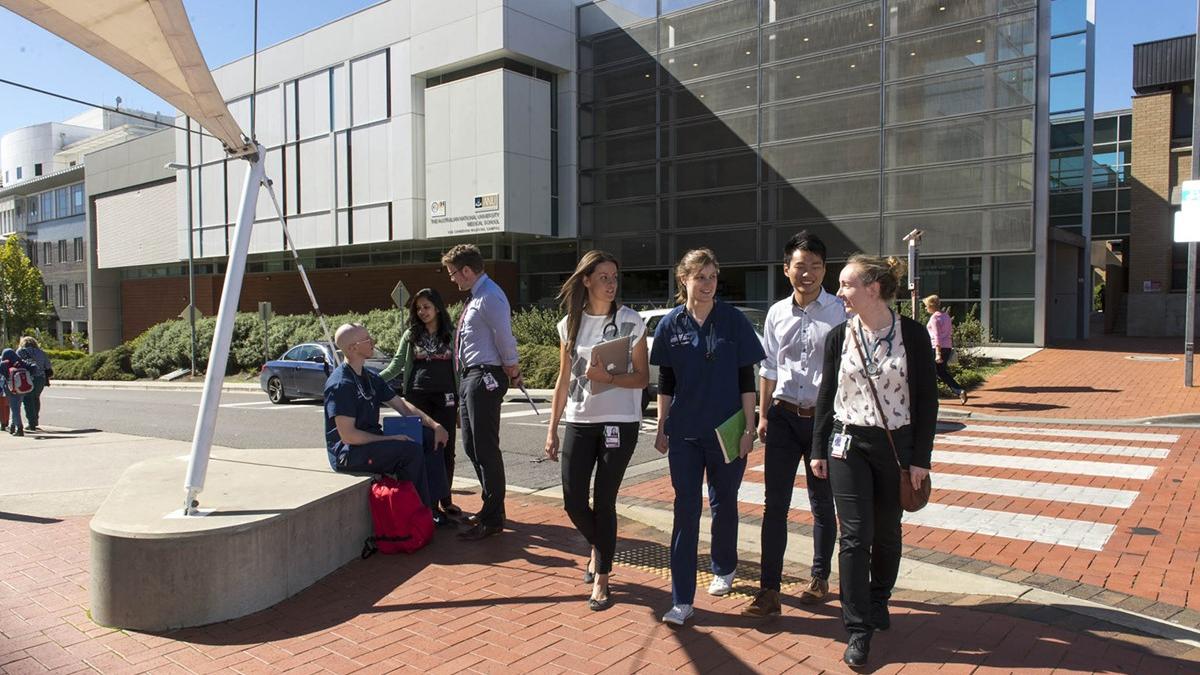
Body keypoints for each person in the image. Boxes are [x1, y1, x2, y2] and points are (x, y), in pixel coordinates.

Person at [811, 255, 937, 668]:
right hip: (847, 443)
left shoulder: (913, 335)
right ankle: (858, 628)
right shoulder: (838, 337)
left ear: (873, 288)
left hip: (895, 444)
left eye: (846, 284)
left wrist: (921, 458)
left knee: (886, 530)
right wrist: (817, 450)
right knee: (855, 534)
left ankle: (879, 597)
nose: (839, 292)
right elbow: (827, 397)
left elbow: (927, 401)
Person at [650, 248, 765, 626]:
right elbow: (666, 379)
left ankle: (724, 566)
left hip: (727, 431)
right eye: (699, 277)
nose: (707, 284)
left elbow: (746, 379)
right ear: (683, 279)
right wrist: (663, 425)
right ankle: (682, 599)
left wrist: (749, 428)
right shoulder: (670, 325)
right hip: (684, 433)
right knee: (686, 511)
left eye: (712, 276)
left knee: (723, 502)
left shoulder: (732, 321)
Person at [741, 232, 844, 618]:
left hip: (823, 420)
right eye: (801, 266)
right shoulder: (776, 313)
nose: (808, 273)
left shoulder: (839, 311)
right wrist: (764, 414)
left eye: (816, 266)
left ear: (824, 270)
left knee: (822, 504)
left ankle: (819, 578)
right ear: (787, 270)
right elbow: (768, 368)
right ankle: (769, 590)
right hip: (783, 417)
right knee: (775, 506)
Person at [544, 250, 649, 612]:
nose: (610, 283)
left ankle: (602, 577)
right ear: (585, 280)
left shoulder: (632, 322)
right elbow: (562, 379)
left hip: (619, 422)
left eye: (614, 277)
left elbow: (642, 378)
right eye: (602, 276)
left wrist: (609, 378)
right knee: (574, 500)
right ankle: (600, 544)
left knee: (604, 501)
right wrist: (552, 428)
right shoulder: (568, 325)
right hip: (578, 420)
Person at [324, 323, 450, 508]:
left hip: (370, 443)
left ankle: (434, 507)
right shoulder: (341, 384)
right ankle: (419, 511)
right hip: (349, 454)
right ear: (353, 348)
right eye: (367, 339)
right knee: (409, 451)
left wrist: (435, 425)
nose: (373, 342)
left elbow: (403, 406)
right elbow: (349, 436)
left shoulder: (370, 377)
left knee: (430, 438)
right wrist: (392, 439)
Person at [443, 244, 521, 541]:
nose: (452, 279)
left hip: (484, 375)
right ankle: (492, 506)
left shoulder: (491, 296)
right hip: (471, 377)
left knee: (486, 448)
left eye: (453, 273)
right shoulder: (478, 296)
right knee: (472, 447)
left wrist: (512, 367)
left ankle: (493, 517)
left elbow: (504, 335)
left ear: (466, 270)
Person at [378, 288, 461, 525]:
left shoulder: (451, 334)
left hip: (446, 397)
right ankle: (428, 503)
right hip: (417, 399)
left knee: (446, 448)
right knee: (423, 449)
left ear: (437, 308)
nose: (422, 312)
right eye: (418, 308)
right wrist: (372, 381)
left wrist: (461, 401)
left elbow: (461, 369)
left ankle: (445, 499)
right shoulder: (411, 335)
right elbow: (395, 366)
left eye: (427, 307)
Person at [924, 295, 968, 405]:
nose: (925, 308)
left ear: (931, 306)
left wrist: (938, 353)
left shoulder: (935, 318)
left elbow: (937, 335)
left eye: (926, 306)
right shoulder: (946, 316)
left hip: (936, 348)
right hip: (947, 347)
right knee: (941, 372)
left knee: (928, 372)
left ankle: (930, 397)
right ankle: (959, 391)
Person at [17, 336, 52, 431]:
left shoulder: (20, 352)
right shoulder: (42, 352)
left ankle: (31, 423)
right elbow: (48, 367)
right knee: (36, 398)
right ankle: (35, 420)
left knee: (28, 400)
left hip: (27, 378)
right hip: (40, 379)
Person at [0, 348, 35, 437]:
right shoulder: (21, 362)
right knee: (17, 407)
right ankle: (13, 426)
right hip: (22, 388)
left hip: (11, 388)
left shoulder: (4, 363)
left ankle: (19, 428)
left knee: (14, 408)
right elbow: (33, 367)